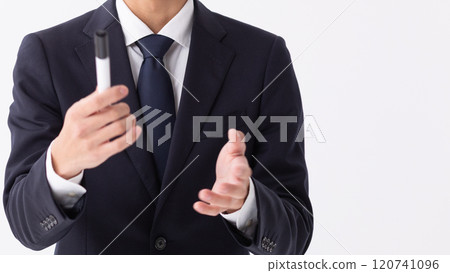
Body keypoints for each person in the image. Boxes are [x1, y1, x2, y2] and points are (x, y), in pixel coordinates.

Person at [4, 0, 313, 254]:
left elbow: (294, 237)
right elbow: (27, 228)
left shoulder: (263, 56)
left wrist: (246, 203)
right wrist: (61, 166)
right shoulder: (47, 53)